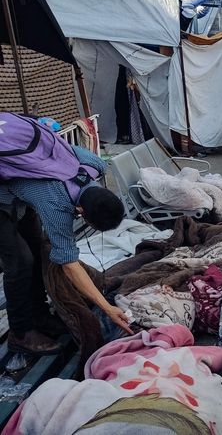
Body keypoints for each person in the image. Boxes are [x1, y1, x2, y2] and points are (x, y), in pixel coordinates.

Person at [0, 112, 132, 356]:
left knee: (38, 249)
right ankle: (20, 333)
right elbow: (69, 264)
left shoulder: (95, 165)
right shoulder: (57, 204)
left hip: (17, 183)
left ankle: (39, 316)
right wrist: (107, 308)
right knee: (19, 262)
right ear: (80, 210)